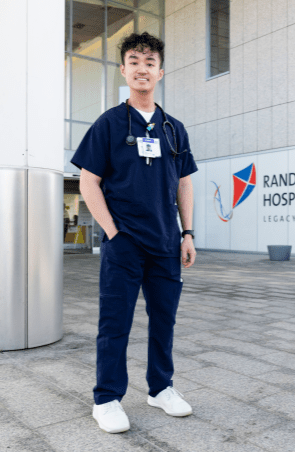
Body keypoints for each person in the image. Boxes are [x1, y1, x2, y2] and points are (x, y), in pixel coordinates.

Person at [71, 32, 197, 434]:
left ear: (160, 71)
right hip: (123, 244)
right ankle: (106, 398)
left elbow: (184, 184)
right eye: (134, 61)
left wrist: (188, 233)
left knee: (164, 320)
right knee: (115, 323)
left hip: (165, 244)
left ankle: (161, 388)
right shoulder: (109, 124)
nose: (142, 68)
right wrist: (113, 232)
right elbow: (88, 181)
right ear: (123, 70)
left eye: (149, 62)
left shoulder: (174, 129)